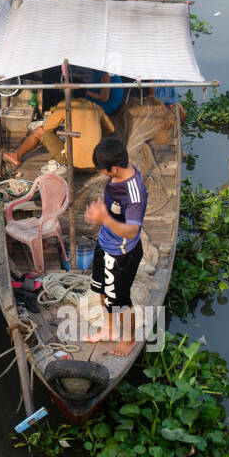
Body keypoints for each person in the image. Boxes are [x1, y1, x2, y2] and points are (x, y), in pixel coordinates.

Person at [83, 135, 148, 356]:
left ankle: (128, 339)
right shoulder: (119, 176)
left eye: (102, 169)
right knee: (101, 289)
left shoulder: (134, 192)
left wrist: (105, 219)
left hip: (121, 253)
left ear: (113, 168)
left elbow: (132, 230)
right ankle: (109, 329)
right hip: (105, 243)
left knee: (120, 300)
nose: (101, 173)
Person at [3, 98, 114, 171]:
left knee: (39, 131)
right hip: (97, 165)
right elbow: (111, 130)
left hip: (72, 164)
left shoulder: (66, 104)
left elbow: (47, 128)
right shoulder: (97, 107)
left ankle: (16, 156)